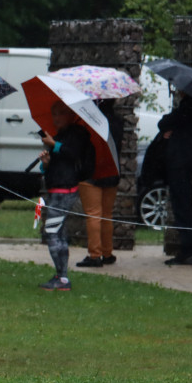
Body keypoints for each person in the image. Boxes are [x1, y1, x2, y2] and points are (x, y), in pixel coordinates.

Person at [37, 101, 95, 291]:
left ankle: (62, 278)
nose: (57, 118)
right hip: (55, 188)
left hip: (66, 189)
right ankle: (60, 276)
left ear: (71, 115)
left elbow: (73, 153)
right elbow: (54, 164)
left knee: (52, 232)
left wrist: (54, 144)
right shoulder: (60, 136)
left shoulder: (77, 134)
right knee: (59, 233)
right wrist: (45, 163)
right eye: (54, 114)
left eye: (61, 113)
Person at [158, 92, 192, 265]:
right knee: (185, 205)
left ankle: (189, 249)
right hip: (189, 161)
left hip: (180, 162)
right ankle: (189, 248)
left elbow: (163, 123)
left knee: (182, 207)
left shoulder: (187, 108)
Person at [75, 99, 122, 268]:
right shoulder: (118, 122)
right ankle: (107, 253)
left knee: (93, 214)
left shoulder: (89, 122)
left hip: (91, 172)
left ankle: (94, 255)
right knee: (106, 215)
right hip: (112, 171)